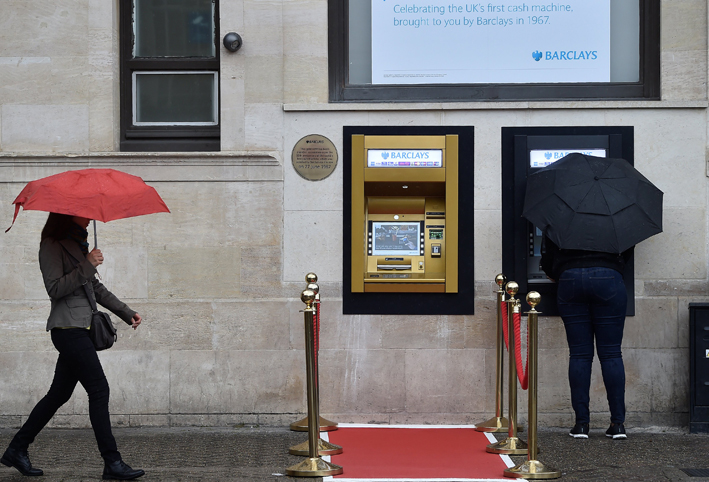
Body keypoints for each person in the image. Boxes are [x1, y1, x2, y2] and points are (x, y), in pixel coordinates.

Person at [1, 213, 145, 479]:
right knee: (99, 390)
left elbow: (95, 288)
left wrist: (127, 312)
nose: (89, 217)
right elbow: (54, 288)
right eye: (84, 213)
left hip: (82, 329)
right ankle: (112, 462)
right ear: (68, 214)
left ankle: (16, 449)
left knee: (58, 395)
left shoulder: (79, 245)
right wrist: (87, 265)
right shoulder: (51, 245)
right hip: (67, 330)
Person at [540, 234, 632, 440]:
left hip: (570, 277)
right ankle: (617, 424)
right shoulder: (617, 218)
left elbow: (547, 254)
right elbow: (627, 249)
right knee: (611, 353)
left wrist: (557, 270)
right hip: (609, 277)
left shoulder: (561, 217)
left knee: (579, 354)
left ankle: (581, 425)